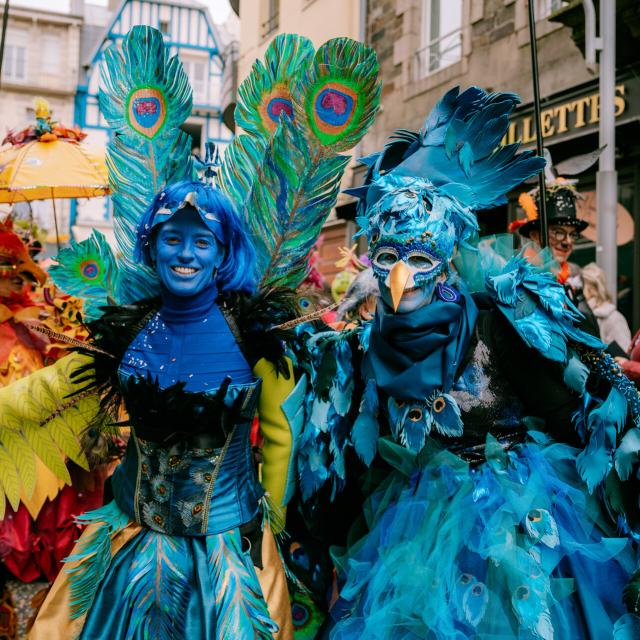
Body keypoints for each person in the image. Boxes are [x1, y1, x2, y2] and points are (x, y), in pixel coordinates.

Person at [295, 86, 640, 638]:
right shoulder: (362, 346)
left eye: (420, 256)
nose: (402, 276)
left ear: (448, 255)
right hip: (413, 526)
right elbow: (361, 463)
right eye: (388, 257)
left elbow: (565, 409)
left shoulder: (493, 319)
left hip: (519, 510)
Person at [581, 262, 631, 352]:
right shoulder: (584, 315)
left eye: (581, 285)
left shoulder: (614, 319)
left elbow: (624, 357)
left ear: (591, 288)